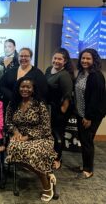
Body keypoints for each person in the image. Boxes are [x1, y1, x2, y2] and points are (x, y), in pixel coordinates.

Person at [6, 77, 57, 202]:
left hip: (41, 137)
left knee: (32, 152)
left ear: (33, 89)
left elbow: (46, 128)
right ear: (18, 88)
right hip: (19, 136)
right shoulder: (12, 104)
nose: (25, 89)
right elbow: (8, 122)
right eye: (22, 86)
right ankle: (47, 173)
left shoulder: (39, 105)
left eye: (28, 87)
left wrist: (27, 137)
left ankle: (46, 186)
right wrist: (16, 132)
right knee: (13, 148)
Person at [74, 48, 106, 179]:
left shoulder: (96, 76)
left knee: (87, 141)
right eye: (83, 58)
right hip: (81, 113)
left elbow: (95, 99)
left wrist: (88, 117)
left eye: (88, 58)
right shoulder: (82, 73)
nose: (85, 61)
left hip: (91, 115)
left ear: (94, 60)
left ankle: (88, 169)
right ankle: (85, 164)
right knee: (84, 140)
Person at [45, 48, 74, 170]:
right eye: (55, 58)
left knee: (58, 135)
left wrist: (62, 112)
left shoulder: (65, 75)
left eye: (60, 59)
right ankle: (49, 155)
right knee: (50, 134)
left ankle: (57, 158)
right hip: (49, 108)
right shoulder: (48, 70)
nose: (56, 61)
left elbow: (67, 96)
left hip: (59, 111)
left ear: (65, 61)